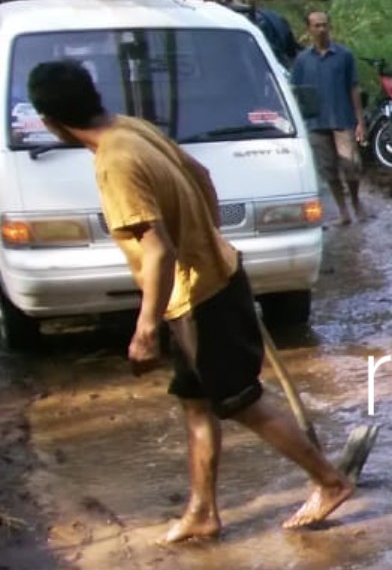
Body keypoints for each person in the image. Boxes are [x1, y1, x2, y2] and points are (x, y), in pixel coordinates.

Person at [24, 59, 356, 543]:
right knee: (196, 403)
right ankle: (202, 510)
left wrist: (144, 329)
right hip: (204, 283)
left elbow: (158, 250)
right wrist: (208, 235)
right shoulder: (129, 128)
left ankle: (330, 481)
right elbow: (200, 174)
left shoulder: (114, 163)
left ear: (51, 123)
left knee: (243, 403)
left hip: (200, 297)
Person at [291, 11, 367, 225]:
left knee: (351, 166)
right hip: (316, 123)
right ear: (309, 29)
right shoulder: (302, 60)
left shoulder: (344, 55)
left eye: (324, 25)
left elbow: (354, 88)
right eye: (317, 25)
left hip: (343, 119)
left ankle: (355, 200)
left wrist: (360, 121)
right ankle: (342, 210)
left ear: (329, 27)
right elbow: (297, 92)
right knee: (328, 169)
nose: (321, 29)